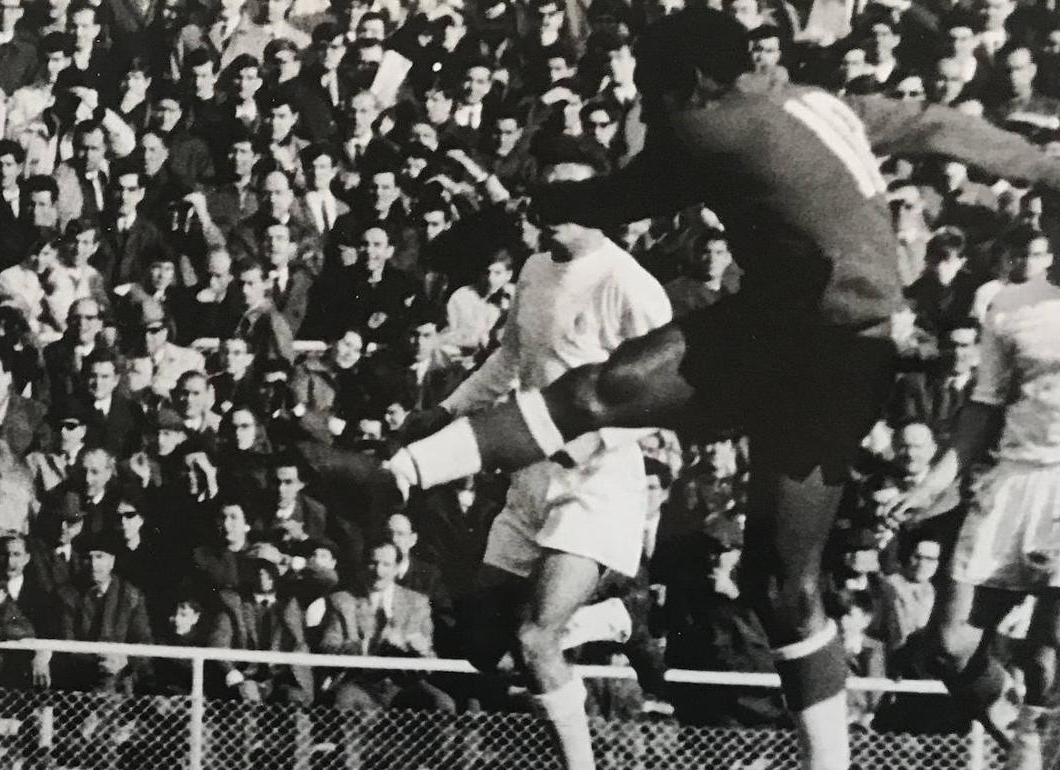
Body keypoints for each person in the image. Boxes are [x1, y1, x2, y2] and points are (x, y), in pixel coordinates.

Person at [386, 9, 1060, 769]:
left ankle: (394, 477)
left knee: (604, 397)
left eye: (650, 93)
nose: (646, 109)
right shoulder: (823, 105)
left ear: (692, 84)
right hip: (831, 343)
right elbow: (937, 124)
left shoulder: (719, 127)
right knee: (779, 583)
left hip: (823, 349)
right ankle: (394, 477)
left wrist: (542, 207)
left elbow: (635, 192)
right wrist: (1041, 167)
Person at [393, 138, 671, 770]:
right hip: (530, 474)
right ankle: (605, 620)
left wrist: (593, 439)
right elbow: (510, 358)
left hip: (597, 484)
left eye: (569, 195)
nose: (550, 207)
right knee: (481, 643)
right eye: (544, 192)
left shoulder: (633, 287)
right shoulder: (535, 270)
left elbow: (664, 395)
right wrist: (448, 409)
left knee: (534, 638)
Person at [887, 227, 1060, 768]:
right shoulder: (1011, 305)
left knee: (1047, 654)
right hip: (1014, 481)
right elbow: (983, 408)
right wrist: (934, 483)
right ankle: (1029, 740)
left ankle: (1033, 755)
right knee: (948, 644)